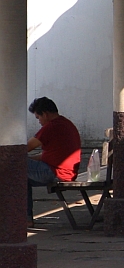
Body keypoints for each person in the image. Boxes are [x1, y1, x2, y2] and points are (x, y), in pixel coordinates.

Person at [26, 97, 81, 226]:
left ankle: (25, 217)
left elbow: (23, 148)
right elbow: (49, 155)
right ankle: (25, 219)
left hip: (55, 172)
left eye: (38, 117)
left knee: (14, 165)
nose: (39, 121)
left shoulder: (51, 127)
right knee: (20, 178)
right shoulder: (66, 124)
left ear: (45, 114)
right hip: (65, 172)